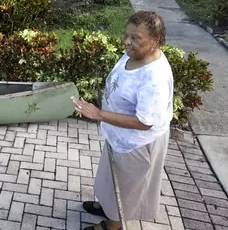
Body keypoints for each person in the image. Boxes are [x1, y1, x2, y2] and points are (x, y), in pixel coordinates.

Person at [71, 11, 173, 230]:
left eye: (136, 38)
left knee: (125, 189)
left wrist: (99, 114)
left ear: (155, 41)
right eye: (126, 35)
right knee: (111, 177)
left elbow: (144, 122)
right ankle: (108, 207)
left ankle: (112, 225)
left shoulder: (154, 79)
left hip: (135, 145)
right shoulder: (135, 54)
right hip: (118, 135)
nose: (127, 42)